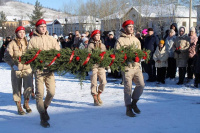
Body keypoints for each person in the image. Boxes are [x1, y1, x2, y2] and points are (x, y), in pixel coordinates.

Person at [28, 19, 61, 128]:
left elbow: (58, 52)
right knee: (40, 94)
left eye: (45, 26)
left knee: (51, 92)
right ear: (37, 28)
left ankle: (44, 108)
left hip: (50, 69)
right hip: (39, 70)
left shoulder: (52, 39)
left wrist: (55, 60)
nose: (43, 28)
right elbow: (29, 56)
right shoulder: (32, 40)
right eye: (41, 26)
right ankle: (42, 115)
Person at [115, 20, 145, 117]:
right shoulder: (120, 40)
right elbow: (117, 54)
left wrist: (141, 57)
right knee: (128, 87)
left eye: (132, 26)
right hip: (127, 67)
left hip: (136, 66)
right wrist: (125, 57)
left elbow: (139, 51)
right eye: (129, 26)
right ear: (125, 28)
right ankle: (128, 108)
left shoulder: (136, 40)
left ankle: (134, 103)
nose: (132, 28)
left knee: (141, 85)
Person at [4, 26, 32, 115]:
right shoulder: (12, 43)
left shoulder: (28, 43)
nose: (22, 34)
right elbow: (7, 57)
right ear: (16, 33)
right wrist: (12, 65)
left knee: (29, 87)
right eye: (20, 32)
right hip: (17, 69)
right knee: (17, 88)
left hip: (27, 68)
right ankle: (19, 106)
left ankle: (26, 103)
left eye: (23, 32)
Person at [88, 30, 107, 106]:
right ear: (93, 36)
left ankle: (99, 93)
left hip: (101, 65)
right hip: (93, 66)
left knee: (103, 81)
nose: (98, 36)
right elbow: (88, 55)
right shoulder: (90, 45)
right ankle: (95, 97)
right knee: (94, 82)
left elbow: (105, 54)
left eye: (99, 35)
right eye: (96, 35)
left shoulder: (102, 45)